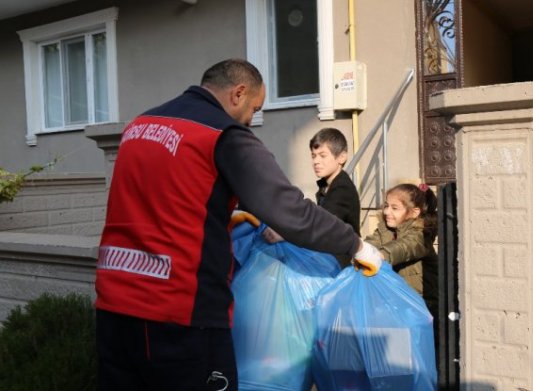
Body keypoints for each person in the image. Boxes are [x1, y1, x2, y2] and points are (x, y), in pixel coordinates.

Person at [94, 58, 382, 391]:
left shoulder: (140, 126)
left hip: (113, 304)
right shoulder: (222, 134)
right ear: (238, 93)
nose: (251, 120)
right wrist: (355, 244)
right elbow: (289, 210)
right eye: (254, 109)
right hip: (178, 314)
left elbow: (165, 199)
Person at [364, 183, 439, 316]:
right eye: (386, 206)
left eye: (395, 208)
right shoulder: (385, 229)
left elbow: (404, 246)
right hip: (396, 302)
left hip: (422, 304)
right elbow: (371, 243)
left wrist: (381, 254)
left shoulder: (422, 234)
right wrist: (358, 250)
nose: (387, 212)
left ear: (414, 212)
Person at [310, 128, 361, 267]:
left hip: (340, 263)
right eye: (313, 156)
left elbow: (322, 225)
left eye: (322, 155)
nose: (316, 161)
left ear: (341, 157)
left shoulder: (342, 188)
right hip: (330, 257)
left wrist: (286, 234)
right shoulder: (327, 186)